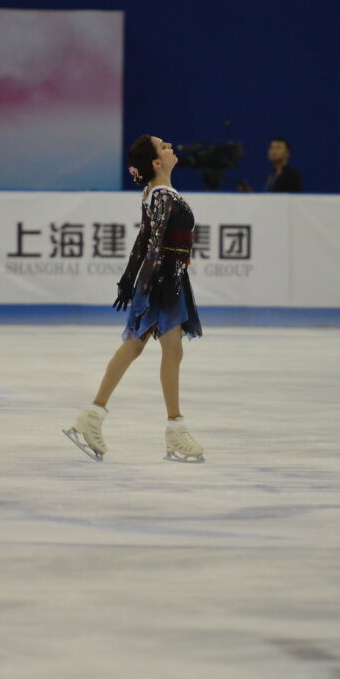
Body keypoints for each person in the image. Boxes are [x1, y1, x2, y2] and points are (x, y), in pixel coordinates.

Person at [64, 134, 205, 463]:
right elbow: (152, 243)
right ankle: (173, 429)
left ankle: (94, 417)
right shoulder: (161, 195)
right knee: (157, 347)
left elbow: (144, 239)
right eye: (164, 146)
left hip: (167, 278)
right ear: (156, 162)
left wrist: (130, 278)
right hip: (163, 280)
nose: (171, 147)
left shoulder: (158, 192)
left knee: (145, 346)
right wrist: (141, 284)